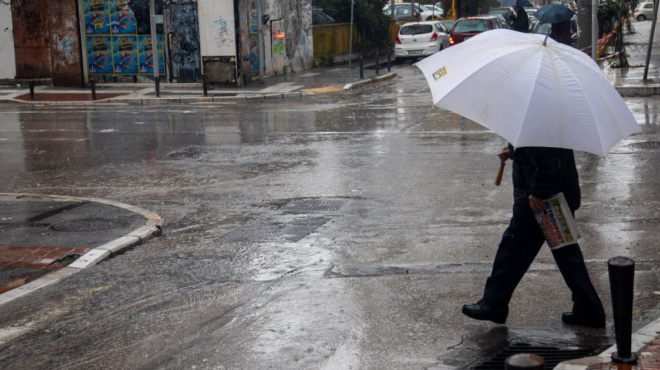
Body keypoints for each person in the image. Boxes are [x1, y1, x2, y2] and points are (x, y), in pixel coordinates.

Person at [461, 23, 606, 329]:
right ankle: (588, 308)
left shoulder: (545, 106)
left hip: (544, 199)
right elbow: (534, 144)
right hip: (551, 197)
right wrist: (513, 151)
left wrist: (536, 194)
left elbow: (551, 161)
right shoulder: (542, 101)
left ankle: (495, 303)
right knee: (564, 253)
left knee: (514, 246)